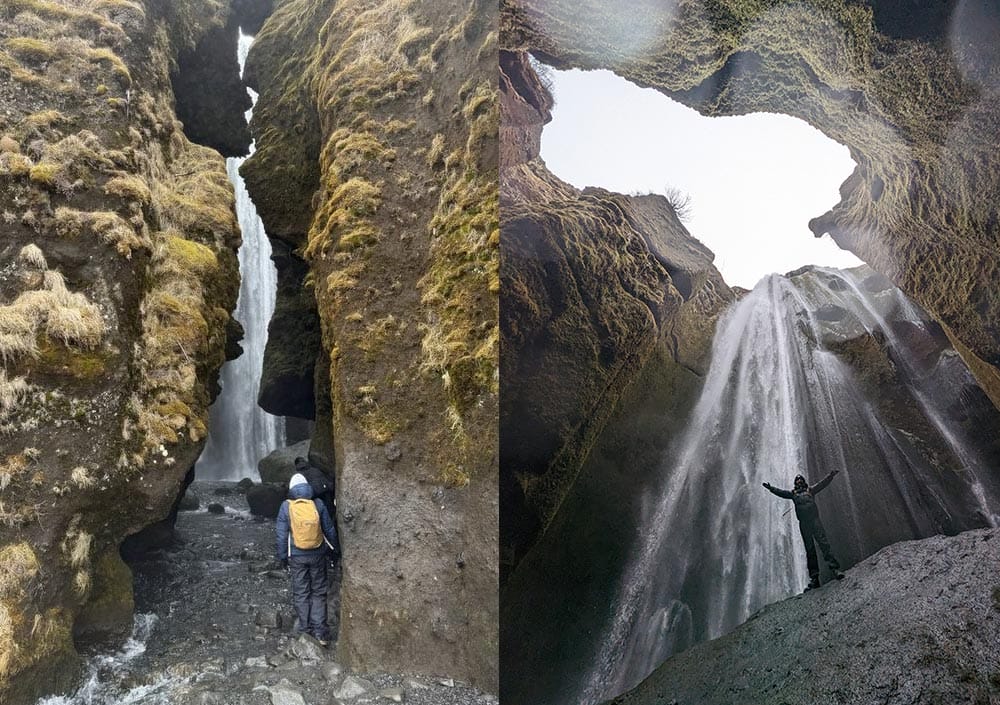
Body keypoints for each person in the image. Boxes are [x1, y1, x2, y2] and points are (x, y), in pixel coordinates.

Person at [276, 473, 338, 645]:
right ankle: (321, 633)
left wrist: (282, 558)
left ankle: (305, 630)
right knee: (318, 591)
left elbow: (281, 536)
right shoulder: (317, 504)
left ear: (291, 489)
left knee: (301, 592)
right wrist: (335, 550)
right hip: (317, 554)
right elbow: (329, 530)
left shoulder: (285, 507)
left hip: (296, 556)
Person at [763, 471, 845, 591]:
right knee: (809, 549)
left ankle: (835, 569)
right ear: (795, 483)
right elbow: (781, 493)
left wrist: (830, 476)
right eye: (797, 480)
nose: (799, 481)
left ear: (804, 481)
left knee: (824, 545)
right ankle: (814, 578)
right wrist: (771, 488)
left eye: (800, 479)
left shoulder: (810, 490)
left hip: (815, 521)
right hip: (804, 524)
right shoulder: (793, 493)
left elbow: (822, 484)